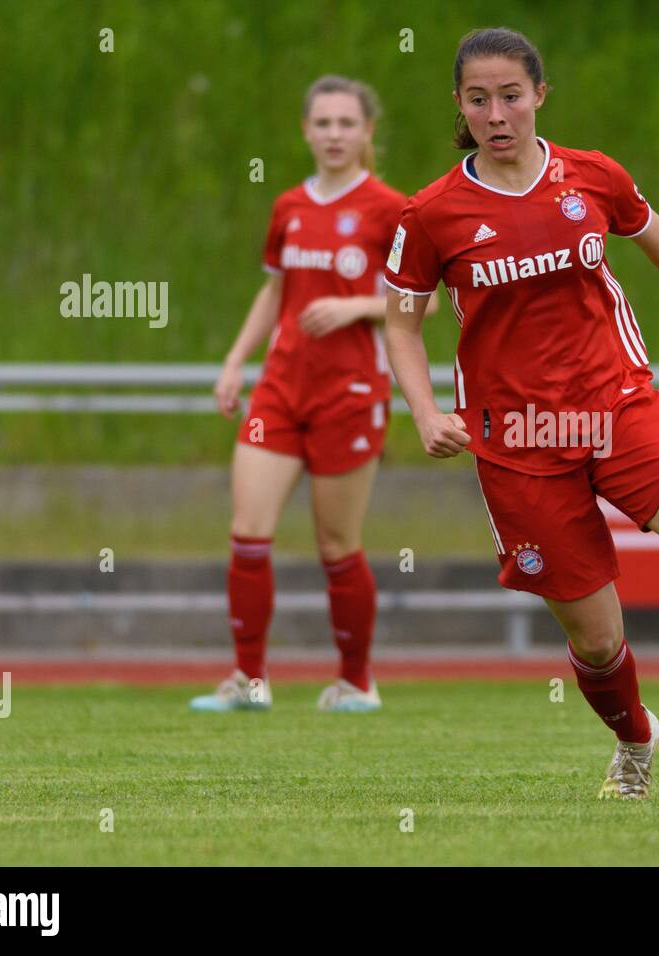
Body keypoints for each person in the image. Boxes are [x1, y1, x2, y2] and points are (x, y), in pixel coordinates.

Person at [383, 28, 659, 798]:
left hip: (617, 404)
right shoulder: (431, 214)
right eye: (479, 99)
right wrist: (425, 412)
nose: (497, 113)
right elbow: (399, 318)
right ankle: (634, 739)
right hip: (518, 440)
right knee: (597, 643)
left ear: (540, 95)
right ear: (459, 106)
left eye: (511, 95)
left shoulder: (591, 177)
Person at [191, 75, 432, 713]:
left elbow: (424, 304)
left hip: (350, 392)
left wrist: (354, 307)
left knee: (336, 546)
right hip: (279, 390)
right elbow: (274, 292)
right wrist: (234, 363)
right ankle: (249, 682)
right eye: (322, 123)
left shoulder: (391, 209)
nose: (334, 134)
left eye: (346, 123)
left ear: (367, 132)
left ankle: (356, 682)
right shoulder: (289, 206)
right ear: (305, 130)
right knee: (247, 532)